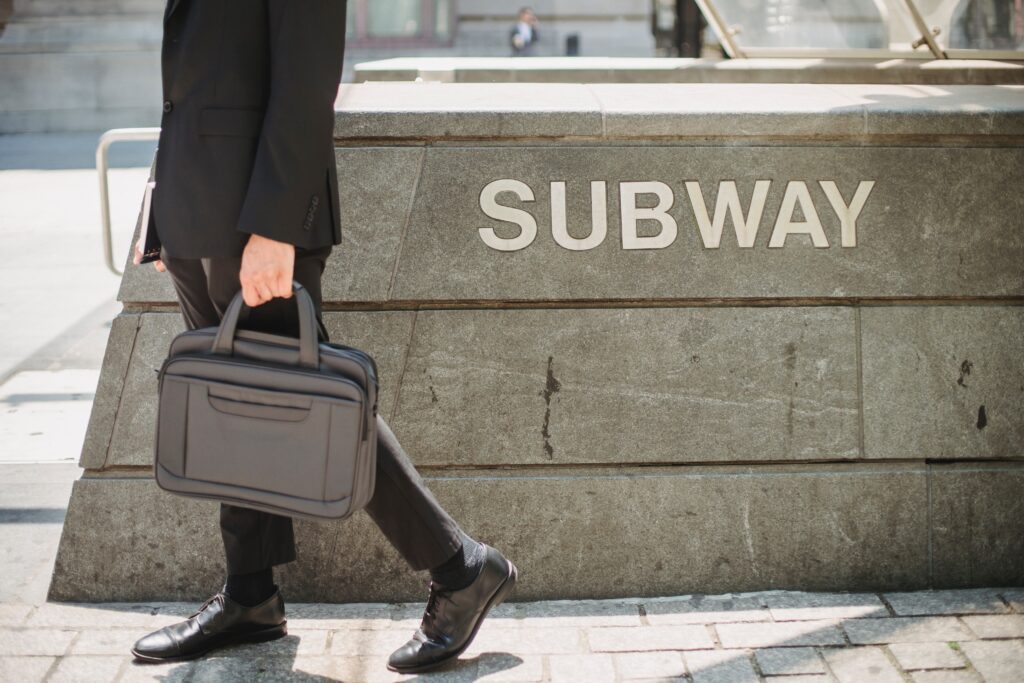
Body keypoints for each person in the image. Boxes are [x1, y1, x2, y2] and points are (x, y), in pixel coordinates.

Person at [128, 0, 517, 673]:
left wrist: (276, 226)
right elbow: (193, 72)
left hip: (256, 215)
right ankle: (251, 594)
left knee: (321, 404)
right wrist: (163, 200)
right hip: (197, 204)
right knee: (233, 403)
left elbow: (307, 78)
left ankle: (461, 568)